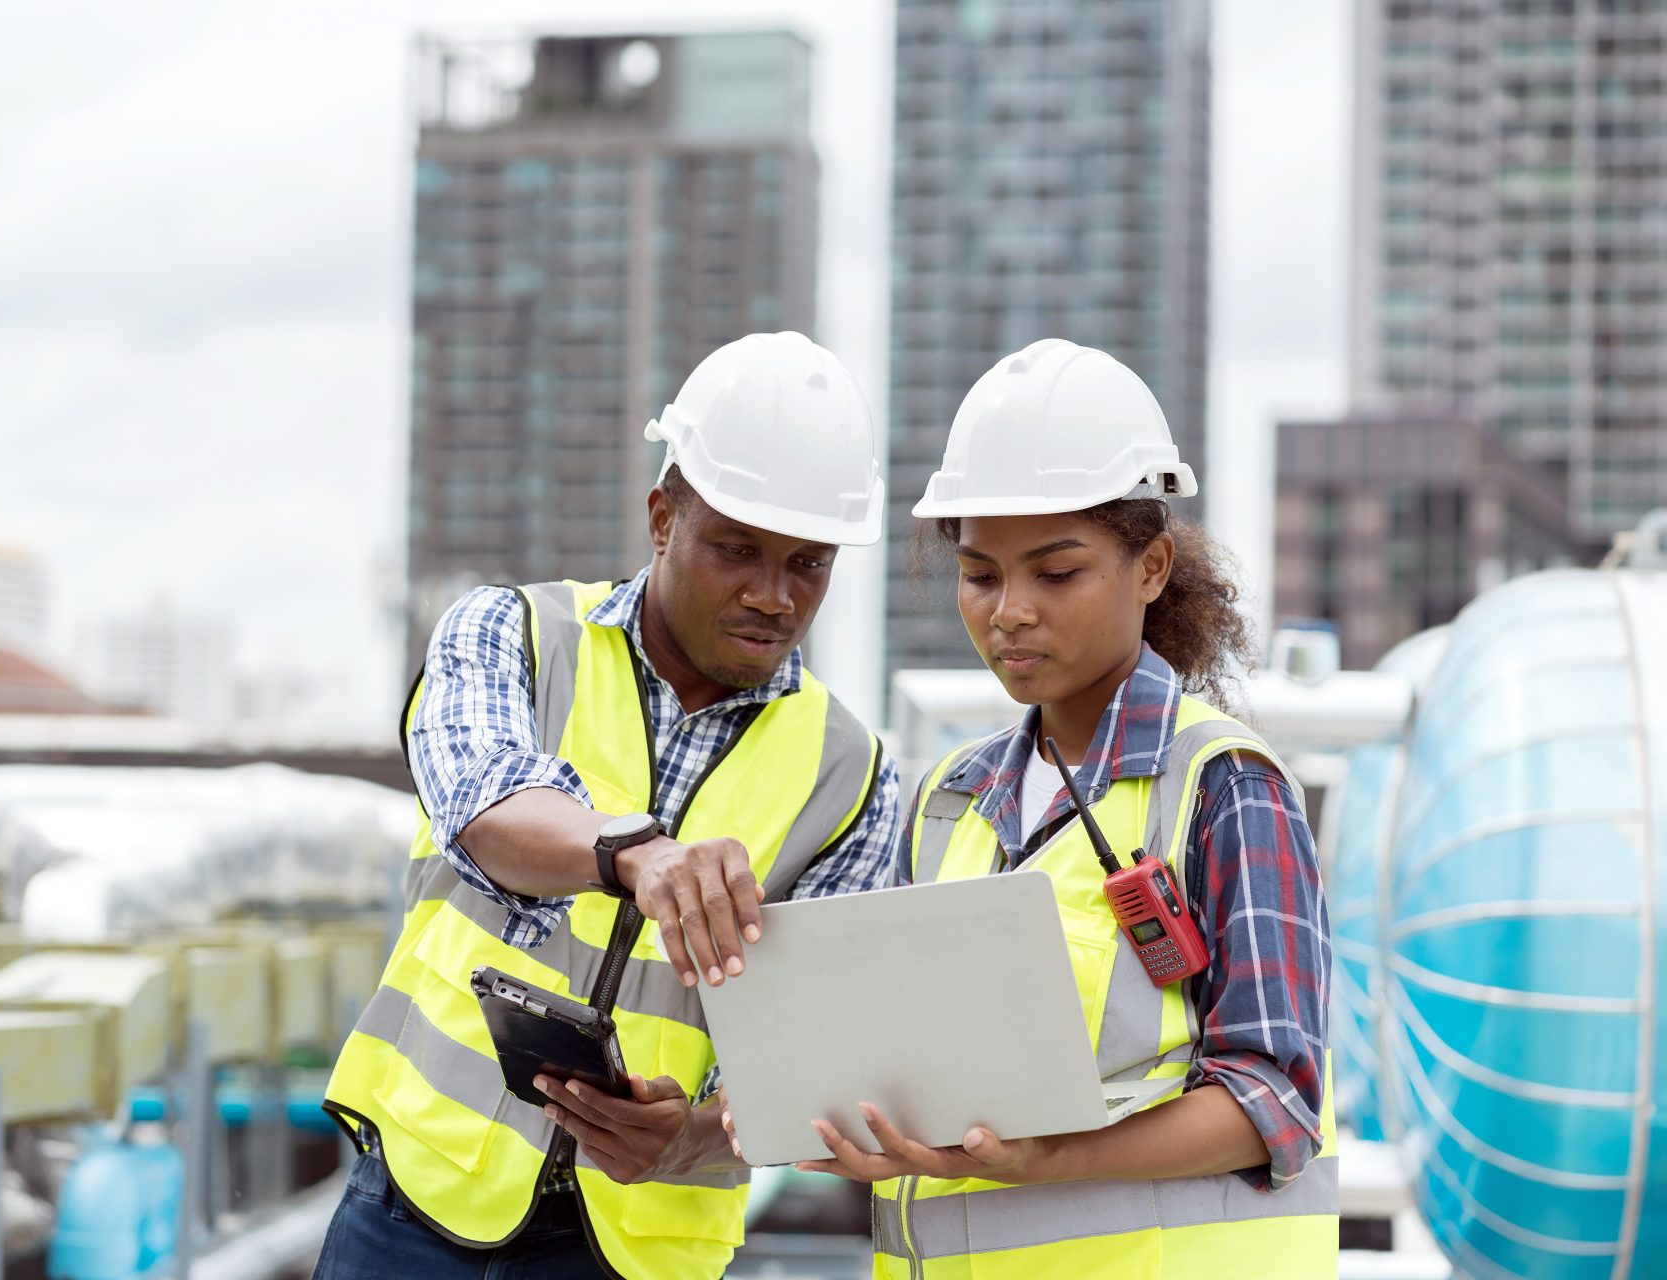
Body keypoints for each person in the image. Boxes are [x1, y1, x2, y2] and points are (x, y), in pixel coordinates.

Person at [318, 331, 903, 1280]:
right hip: (417, 1210)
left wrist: (697, 1136)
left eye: (809, 563)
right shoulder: (514, 634)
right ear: (662, 516)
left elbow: (822, 1065)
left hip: (639, 1249)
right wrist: (634, 850)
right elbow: (484, 805)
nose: (771, 595)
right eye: (736, 549)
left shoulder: (857, 775)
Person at [752, 338, 1337, 1277]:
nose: (1010, 610)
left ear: (1150, 568)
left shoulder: (1224, 786)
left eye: (1055, 574)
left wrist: (1048, 1160)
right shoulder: (949, 802)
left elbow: (1273, 1098)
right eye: (981, 575)